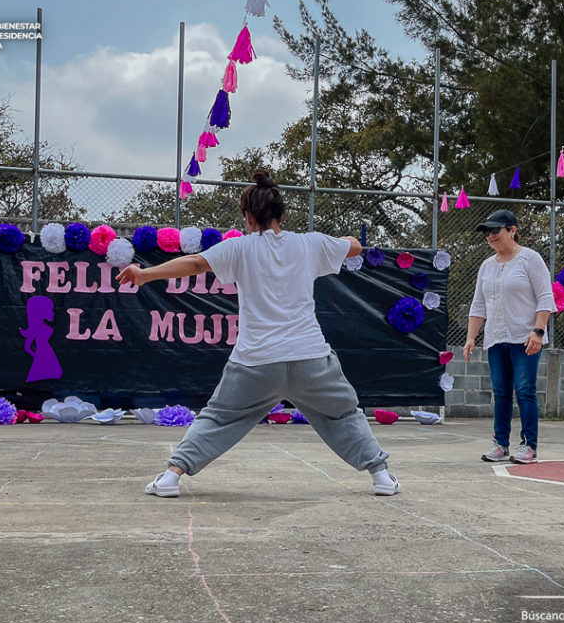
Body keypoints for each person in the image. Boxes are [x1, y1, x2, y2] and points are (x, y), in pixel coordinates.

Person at [116, 169, 400, 498]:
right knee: (343, 415)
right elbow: (353, 247)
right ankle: (381, 477)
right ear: (282, 214)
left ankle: (170, 478)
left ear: (248, 217)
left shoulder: (239, 248)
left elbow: (194, 264)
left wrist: (144, 274)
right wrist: (349, 240)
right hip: (310, 359)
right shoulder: (310, 244)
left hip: (255, 362)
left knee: (218, 418)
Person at [462, 209, 556, 464]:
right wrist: (471, 337)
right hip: (495, 339)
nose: (490, 237)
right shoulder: (486, 266)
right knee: (500, 392)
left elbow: (546, 297)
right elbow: (478, 305)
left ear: (512, 230)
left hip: (524, 338)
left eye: (495, 231)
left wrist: (538, 331)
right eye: (487, 233)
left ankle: (529, 446)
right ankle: (500, 444)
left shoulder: (529, 259)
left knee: (525, 390)